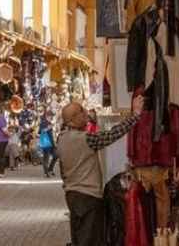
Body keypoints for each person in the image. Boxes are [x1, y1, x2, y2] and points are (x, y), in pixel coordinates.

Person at [58, 95, 144, 245]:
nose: (86, 113)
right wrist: (135, 116)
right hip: (88, 196)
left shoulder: (62, 139)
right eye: (81, 112)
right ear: (73, 119)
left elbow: (62, 170)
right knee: (91, 239)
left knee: (79, 238)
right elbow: (112, 134)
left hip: (72, 195)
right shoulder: (85, 139)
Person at [39, 111, 58, 178]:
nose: (53, 117)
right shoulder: (43, 123)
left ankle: (50, 169)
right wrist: (47, 128)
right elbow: (40, 132)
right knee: (46, 158)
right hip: (45, 142)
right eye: (52, 115)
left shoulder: (50, 123)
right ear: (48, 116)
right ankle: (46, 172)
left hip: (51, 142)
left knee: (56, 155)